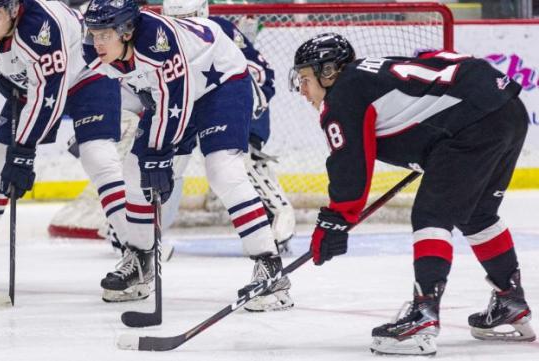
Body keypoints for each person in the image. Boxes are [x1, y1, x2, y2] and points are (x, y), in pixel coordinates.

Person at [289, 33, 535, 355]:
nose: (302, 91)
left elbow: (349, 166)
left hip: (474, 121)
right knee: (478, 214)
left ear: (329, 72)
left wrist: (334, 221)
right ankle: (510, 301)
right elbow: (439, 68)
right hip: (507, 109)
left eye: (306, 79)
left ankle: (424, 315)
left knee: (431, 215)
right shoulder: (368, 76)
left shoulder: (343, 96)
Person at [81, 0, 293, 311]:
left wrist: (159, 154)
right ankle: (140, 260)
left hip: (221, 85)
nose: (97, 42)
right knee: (134, 170)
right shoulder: (98, 49)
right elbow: (142, 95)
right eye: (94, 34)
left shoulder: (157, 41)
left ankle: (270, 268)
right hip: (174, 97)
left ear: (126, 31)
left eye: (105, 34)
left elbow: (174, 103)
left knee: (224, 169)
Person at [0, 0, 128, 289]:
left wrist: (24, 152)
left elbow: (47, 99)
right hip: (33, 81)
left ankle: (137, 253)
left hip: (88, 75)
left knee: (97, 155)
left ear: (14, 9)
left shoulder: (42, 28)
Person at [162, 0, 296, 251]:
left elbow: (260, 71)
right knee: (161, 160)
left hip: (228, 104)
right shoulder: (161, 37)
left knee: (240, 159)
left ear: (202, 12)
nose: (185, 26)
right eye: (177, 19)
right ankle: (142, 230)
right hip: (184, 109)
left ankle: (277, 215)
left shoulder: (221, 29)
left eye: (191, 17)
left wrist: (246, 98)